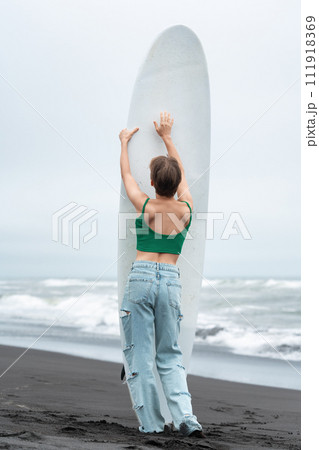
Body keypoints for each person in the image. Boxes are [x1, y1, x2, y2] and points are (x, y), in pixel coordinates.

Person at [118, 111, 205, 438]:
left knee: (140, 354)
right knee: (169, 355)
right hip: (170, 279)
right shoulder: (186, 209)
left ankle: (152, 425)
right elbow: (182, 180)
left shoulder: (144, 206)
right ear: (176, 183)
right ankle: (187, 420)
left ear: (151, 183)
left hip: (141, 278)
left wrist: (124, 143)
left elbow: (127, 176)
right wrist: (168, 136)